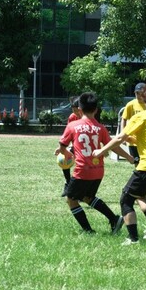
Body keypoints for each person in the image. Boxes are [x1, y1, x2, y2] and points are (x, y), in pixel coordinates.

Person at [93, 84, 146, 246]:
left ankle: (133, 239)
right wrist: (131, 139)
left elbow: (119, 138)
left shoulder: (142, 116)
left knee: (125, 200)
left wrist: (101, 151)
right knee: (139, 194)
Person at [55, 92, 134, 234]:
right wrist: (129, 157)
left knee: (71, 200)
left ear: (79, 109)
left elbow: (62, 146)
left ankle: (88, 230)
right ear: (96, 110)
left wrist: (64, 152)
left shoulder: (73, 125)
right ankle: (114, 219)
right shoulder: (100, 128)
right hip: (98, 171)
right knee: (87, 197)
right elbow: (113, 146)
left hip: (82, 170)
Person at [121, 82, 146, 165]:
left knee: (145, 163)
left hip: (145, 140)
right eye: (137, 93)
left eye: (141, 93)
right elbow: (124, 119)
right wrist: (123, 135)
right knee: (136, 163)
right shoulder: (130, 105)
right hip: (132, 140)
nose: (138, 96)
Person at [60, 98, 81, 197]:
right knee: (64, 159)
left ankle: (81, 190)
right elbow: (68, 133)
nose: (75, 113)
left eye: (77, 110)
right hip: (75, 145)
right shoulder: (72, 117)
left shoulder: (88, 117)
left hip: (85, 147)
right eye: (73, 110)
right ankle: (68, 183)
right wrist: (63, 146)